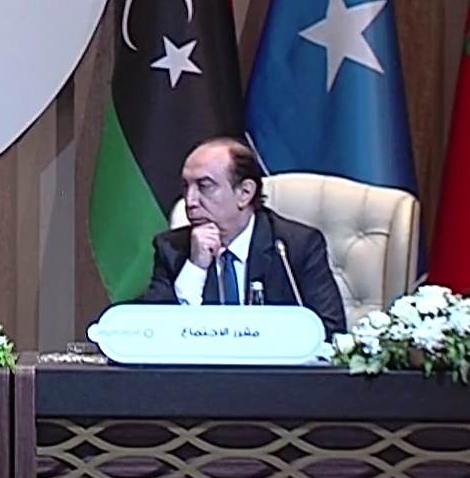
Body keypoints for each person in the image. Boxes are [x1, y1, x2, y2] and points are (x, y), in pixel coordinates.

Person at [139, 137, 347, 336]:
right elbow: (154, 333)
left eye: (204, 186)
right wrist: (195, 267)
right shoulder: (172, 248)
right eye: (186, 187)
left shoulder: (296, 246)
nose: (190, 201)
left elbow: (330, 329)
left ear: (245, 193)